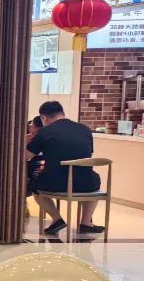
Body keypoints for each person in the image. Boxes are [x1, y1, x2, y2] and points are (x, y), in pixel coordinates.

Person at [27, 101, 102, 236]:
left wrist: (25, 143)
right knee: (95, 181)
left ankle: (57, 219)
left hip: (57, 183)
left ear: (44, 118)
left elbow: (27, 156)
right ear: (63, 113)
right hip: (86, 183)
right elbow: (86, 154)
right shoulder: (84, 129)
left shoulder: (44, 132)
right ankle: (85, 223)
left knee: (35, 187)